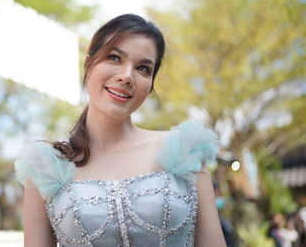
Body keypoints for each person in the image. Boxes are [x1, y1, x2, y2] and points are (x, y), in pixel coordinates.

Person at [15, 13, 226, 247]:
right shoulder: (46, 166)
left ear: (151, 84)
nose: (126, 76)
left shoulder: (185, 150)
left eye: (143, 68)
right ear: (89, 64)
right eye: (114, 58)